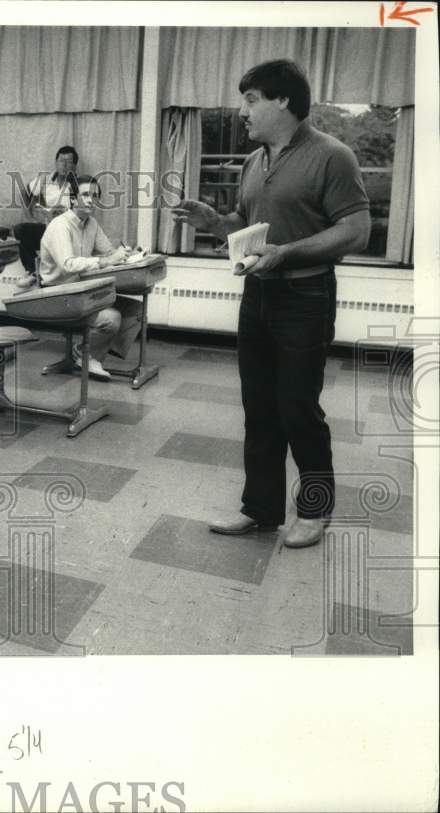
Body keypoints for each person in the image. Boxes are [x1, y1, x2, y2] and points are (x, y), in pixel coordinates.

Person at [173, 59, 370, 549]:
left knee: (297, 406)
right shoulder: (254, 160)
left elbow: (357, 230)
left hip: (306, 296)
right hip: (258, 294)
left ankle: (315, 510)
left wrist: (286, 253)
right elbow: (246, 223)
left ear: (283, 100)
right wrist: (214, 221)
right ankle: (260, 510)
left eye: (251, 99)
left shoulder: (333, 156)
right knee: (259, 407)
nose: (243, 111)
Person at [38, 175, 143, 382]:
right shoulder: (60, 226)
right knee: (111, 318)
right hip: (57, 295)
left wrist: (127, 254)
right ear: (72, 198)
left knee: (135, 311)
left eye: (94, 196)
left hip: (81, 291)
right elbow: (68, 265)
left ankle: (89, 353)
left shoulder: (91, 223)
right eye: (85, 195)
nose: (90, 200)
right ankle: (88, 355)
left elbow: (109, 252)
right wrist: (105, 261)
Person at [13, 146, 80, 278]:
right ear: (56, 162)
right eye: (61, 161)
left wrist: (68, 214)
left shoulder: (79, 184)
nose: (64, 165)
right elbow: (23, 194)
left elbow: (84, 211)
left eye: (69, 162)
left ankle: (58, 272)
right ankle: (33, 270)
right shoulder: (45, 180)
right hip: (47, 229)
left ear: (75, 166)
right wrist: (30, 217)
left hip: (68, 232)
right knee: (19, 230)